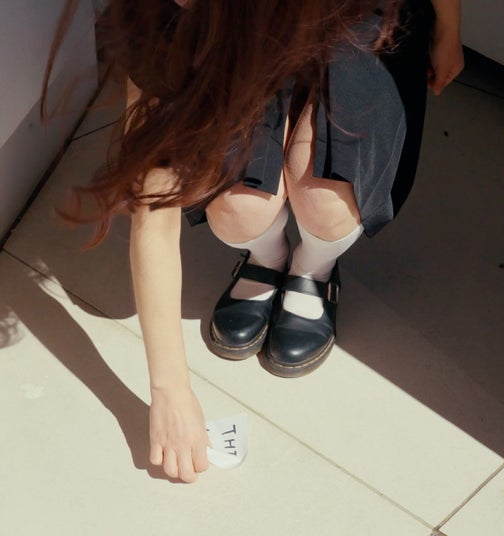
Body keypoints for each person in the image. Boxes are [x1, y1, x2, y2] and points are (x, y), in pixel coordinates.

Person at [47, 0, 463, 482]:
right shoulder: (165, 14)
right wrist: (169, 390)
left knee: (327, 199)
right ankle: (268, 256)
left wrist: (449, 28)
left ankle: (314, 268)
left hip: (354, 14)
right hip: (246, 34)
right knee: (239, 209)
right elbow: (153, 207)